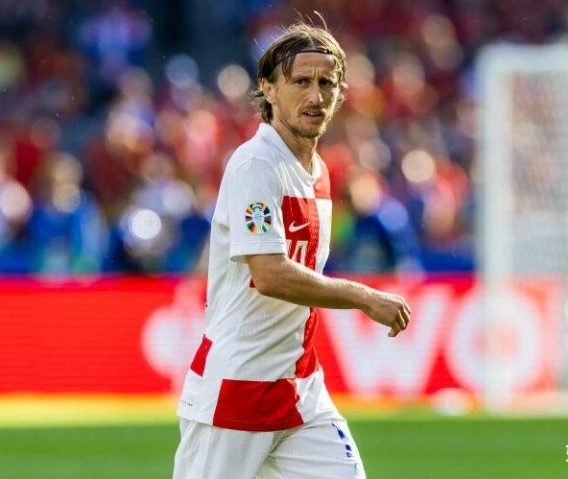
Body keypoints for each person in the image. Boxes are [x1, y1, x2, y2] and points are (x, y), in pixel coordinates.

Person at [173, 18, 412, 479]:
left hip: (299, 388)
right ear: (268, 89)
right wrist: (364, 297)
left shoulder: (318, 172)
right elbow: (270, 274)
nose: (315, 96)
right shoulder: (255, 165)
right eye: (301, 82)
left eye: (327, 83)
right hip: (238, 387)